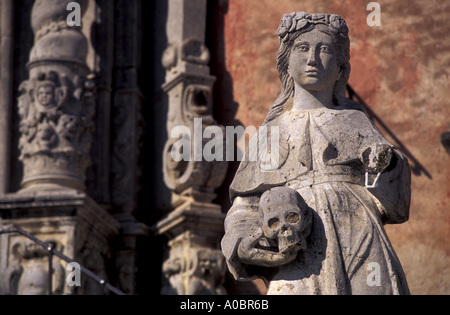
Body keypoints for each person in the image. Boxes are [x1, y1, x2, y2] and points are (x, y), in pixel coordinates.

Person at [221, 12, 411, 295]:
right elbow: (246, 206)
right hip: (297, 250)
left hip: (359, 235)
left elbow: (392, 202)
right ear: (286, 60)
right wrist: (242, 241)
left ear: (340, 66)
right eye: (302, 48)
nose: (312, 58)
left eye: (324, 49)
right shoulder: (271, 133)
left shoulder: (355, 121)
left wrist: (385, 164)